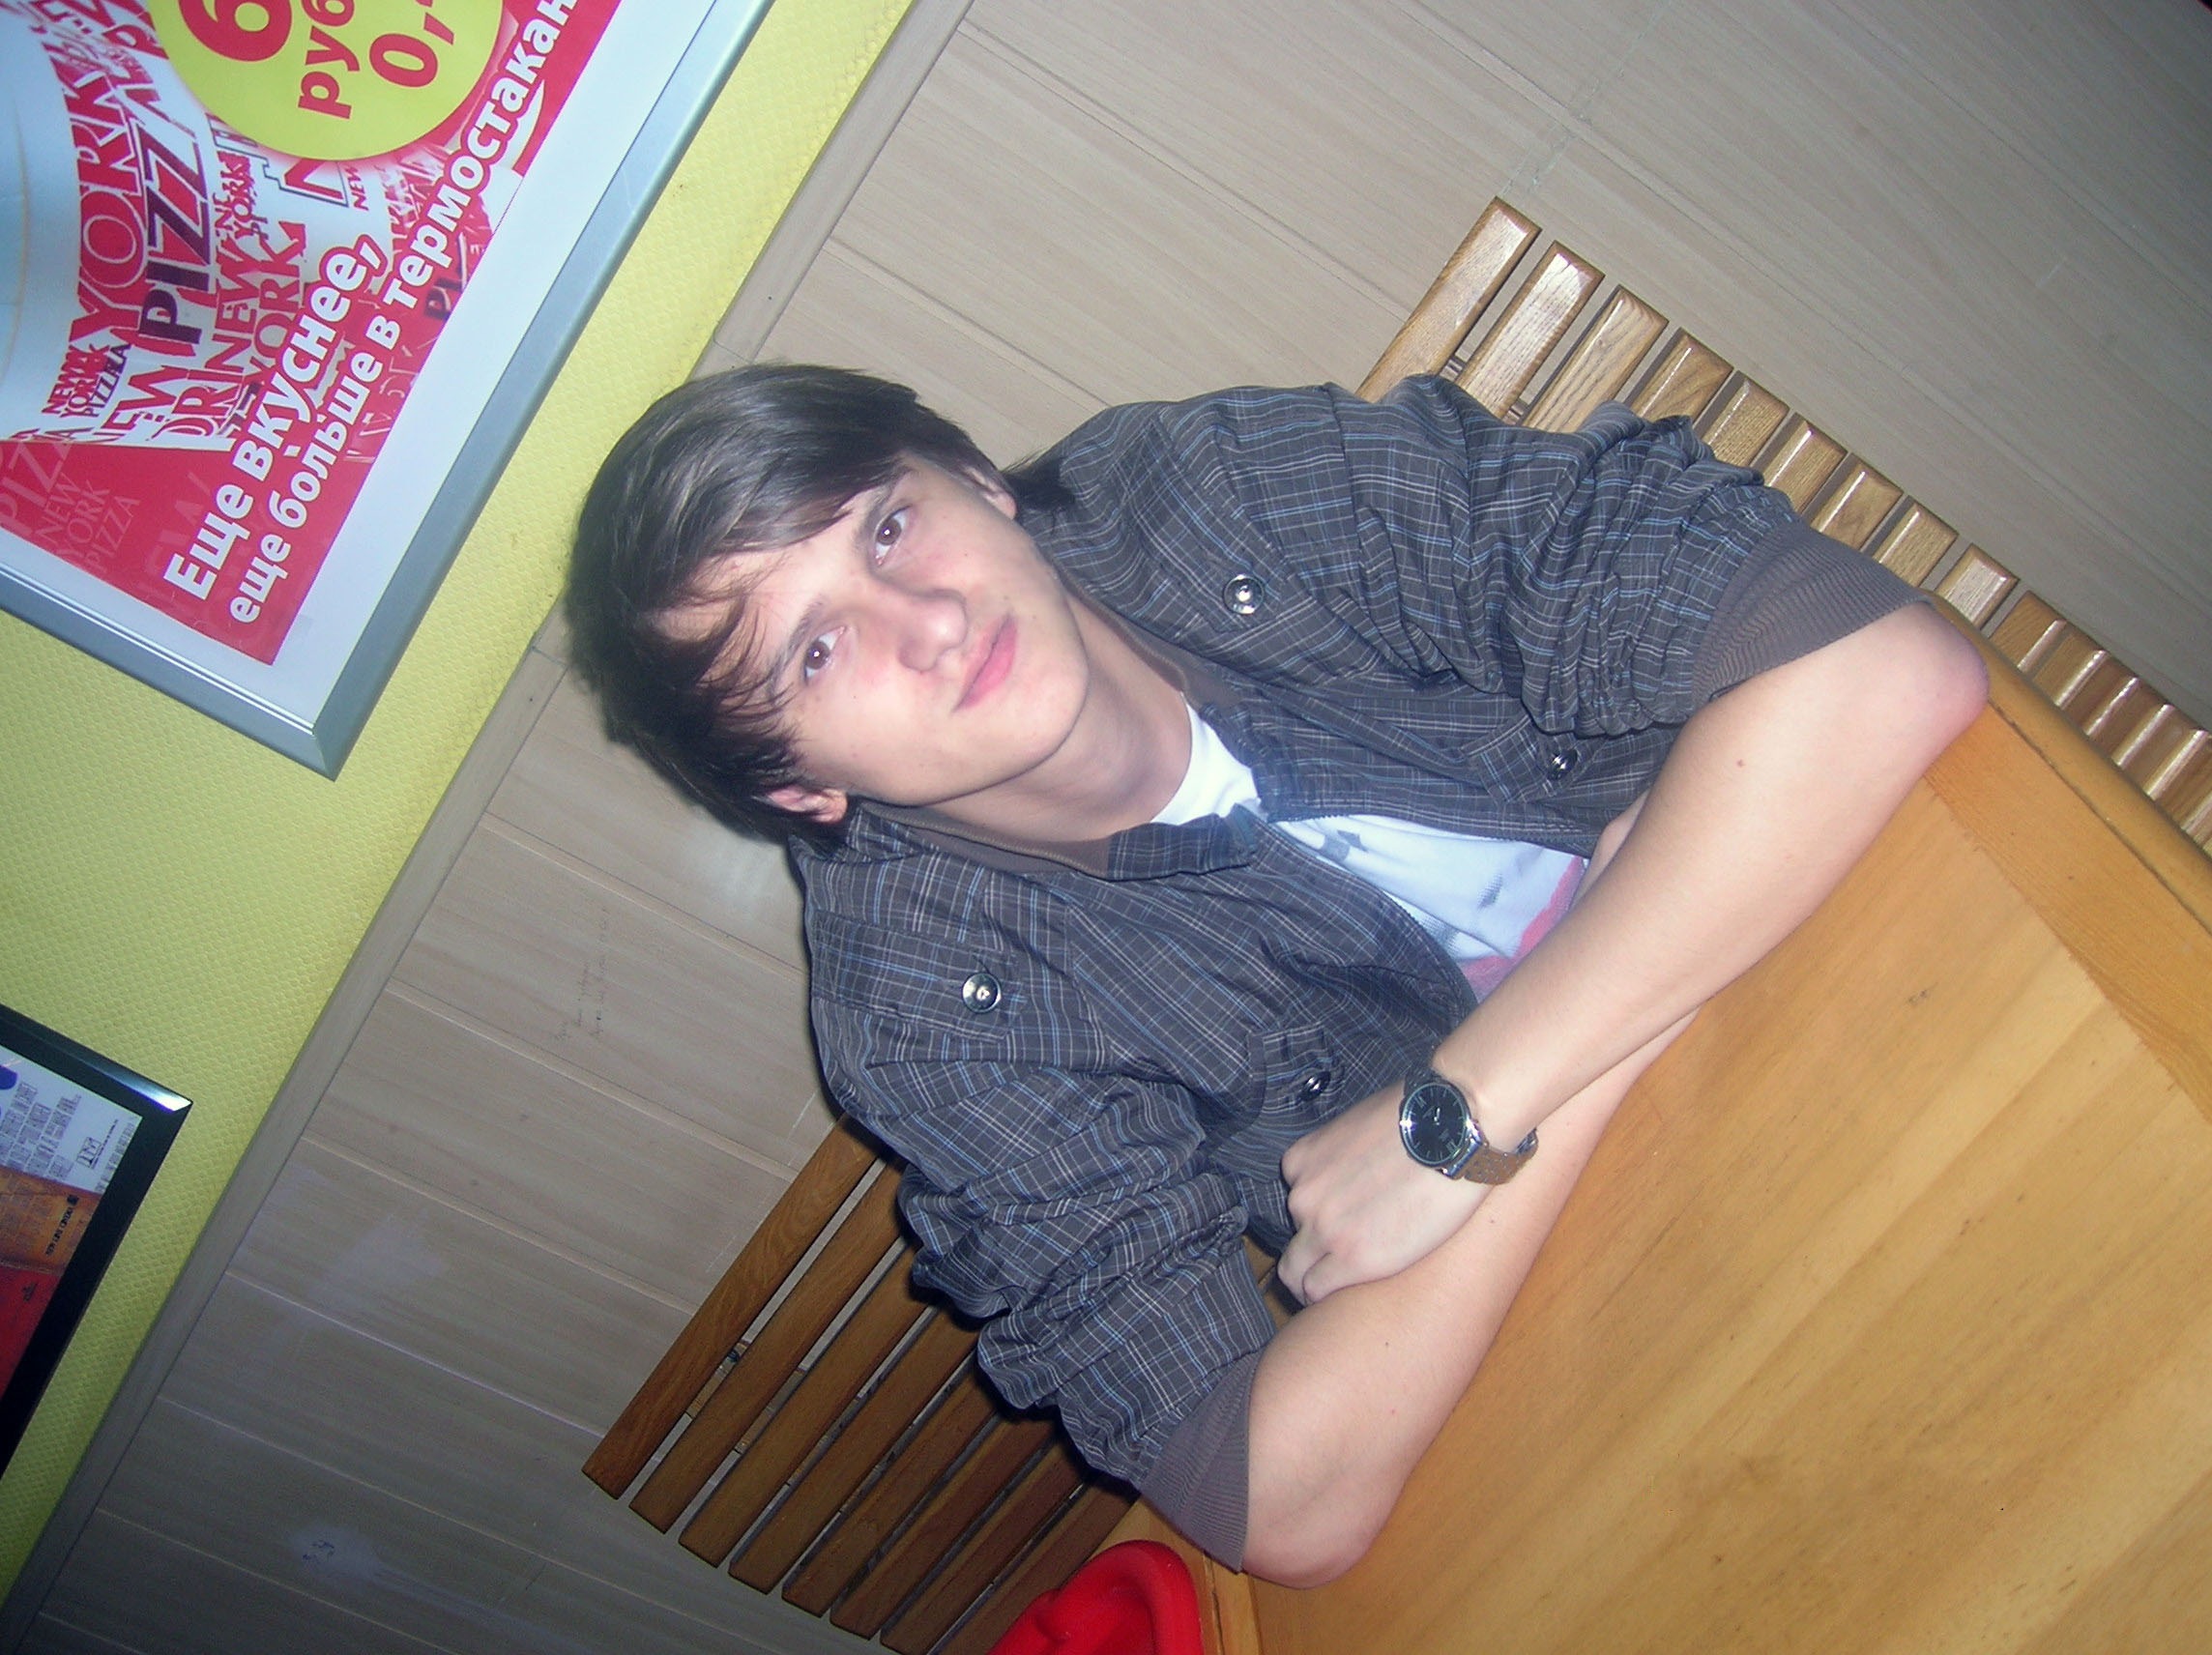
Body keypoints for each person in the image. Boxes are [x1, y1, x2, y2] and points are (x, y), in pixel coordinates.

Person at [564, 364, 1987, 1585]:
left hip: (1902, 951)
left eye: (889, 526)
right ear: (797, 788)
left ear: (979, 482)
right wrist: (1596, 1024)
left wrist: (1468, 1109)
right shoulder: (932, 1017)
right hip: (1657, 1276)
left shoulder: (1219, 491)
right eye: (817, 653)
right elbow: (1280, 1501)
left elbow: (1886, 675)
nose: (925, 622)